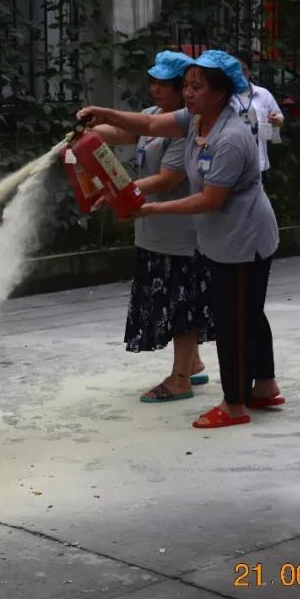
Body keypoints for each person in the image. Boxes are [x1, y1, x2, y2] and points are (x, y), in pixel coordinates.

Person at [78, 50, 284, 429]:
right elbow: (149, 124)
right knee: (248, 312)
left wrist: (149, 209)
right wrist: (105, 114)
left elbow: (209, 200)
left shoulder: (230, 137)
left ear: (220, 92)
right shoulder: (196, 120)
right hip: (223, 237)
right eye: (186, 85)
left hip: (243, 238)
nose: (187, 93)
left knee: (233, 321)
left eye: (196, 87)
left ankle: (234, 405)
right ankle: (265, 386)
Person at [90, 51, 214, 403]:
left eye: (164, 84)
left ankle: (179, 380)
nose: (155, 89)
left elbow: (167, 179)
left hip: (180, 234)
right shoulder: (152, 115)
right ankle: (192, 364)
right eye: (153, 82)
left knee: (182, 304)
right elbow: (124, 132)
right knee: (173, 300)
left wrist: (119, 191)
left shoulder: (187, 127)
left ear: (182, 89)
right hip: (154, 229)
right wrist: (87, 134)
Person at [230, 52, 283, 181]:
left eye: (243, 70)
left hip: (259, 162)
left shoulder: (263, 94)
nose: (239, 74)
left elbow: (279, 119)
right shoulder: (224, 96)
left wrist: (275, 121)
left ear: (249, 72)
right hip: (231, 163)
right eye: (234, 70)